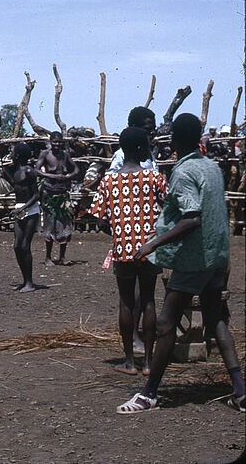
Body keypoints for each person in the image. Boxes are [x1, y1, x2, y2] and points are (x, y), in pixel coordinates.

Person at [117, 113, 245, 414]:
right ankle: (240, 391)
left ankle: (148, 394)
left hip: (194, 260)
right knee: (215, 320)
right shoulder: (212, 167)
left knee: (165, 324)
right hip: (217, 257)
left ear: (174, 140)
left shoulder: (183, 171)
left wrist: (153, 243)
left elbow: (192, 217)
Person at [90, 127, 167, 376]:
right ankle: (148, 364)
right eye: (145, 145)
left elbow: (99, 218)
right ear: (139, 148)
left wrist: (119, 232)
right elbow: (171, 207)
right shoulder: (155, 178)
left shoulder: (108, 181)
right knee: (148, 300)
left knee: (126, 302)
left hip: (123, 250)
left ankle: (130, 362)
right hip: (149, 248)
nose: (148, 148)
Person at [36, 131, 81, 266]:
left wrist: (68, 176)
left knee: (65, 225)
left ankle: (62, 257)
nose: (57, 144)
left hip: (62, 193)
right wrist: (52, 176)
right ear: (50, 142)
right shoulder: (45, 154)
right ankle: (48, 257)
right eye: (55, 142)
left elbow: (76, 169)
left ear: (62, 142)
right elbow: (37, 170)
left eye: (59, 142)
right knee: (50, 225)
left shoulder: (65, 154)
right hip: (49, 192)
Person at [7, 143, 40, 292]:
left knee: (25, 246)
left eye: (13, 153)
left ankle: (29, 283)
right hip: (19, 209)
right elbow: (19, 187)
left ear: (18, 156)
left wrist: (23, 208)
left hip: (30, 210)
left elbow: (36, 195)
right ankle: (24, 280)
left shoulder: (29, 171)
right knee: (17, 246)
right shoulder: (16, 170)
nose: (11, 155)